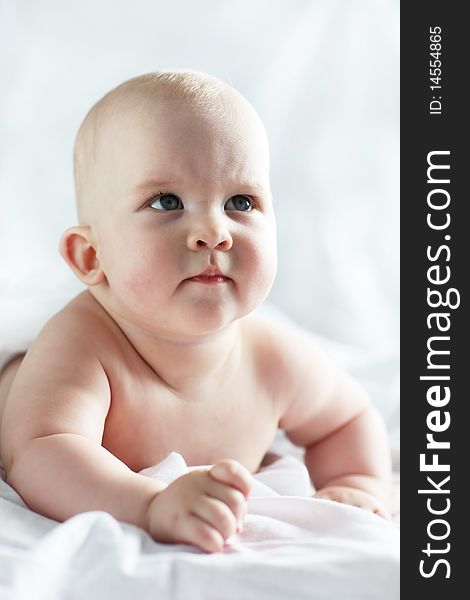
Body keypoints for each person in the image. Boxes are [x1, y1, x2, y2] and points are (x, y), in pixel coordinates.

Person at [0, 71, 392, 553]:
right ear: (91, 257)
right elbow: (40, 453)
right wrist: (149, 504)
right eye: (167, 202)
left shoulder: (272, 357)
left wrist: (358, 482)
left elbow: (346, 418)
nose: (213, 231)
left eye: (240, 201)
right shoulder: (84, 346)